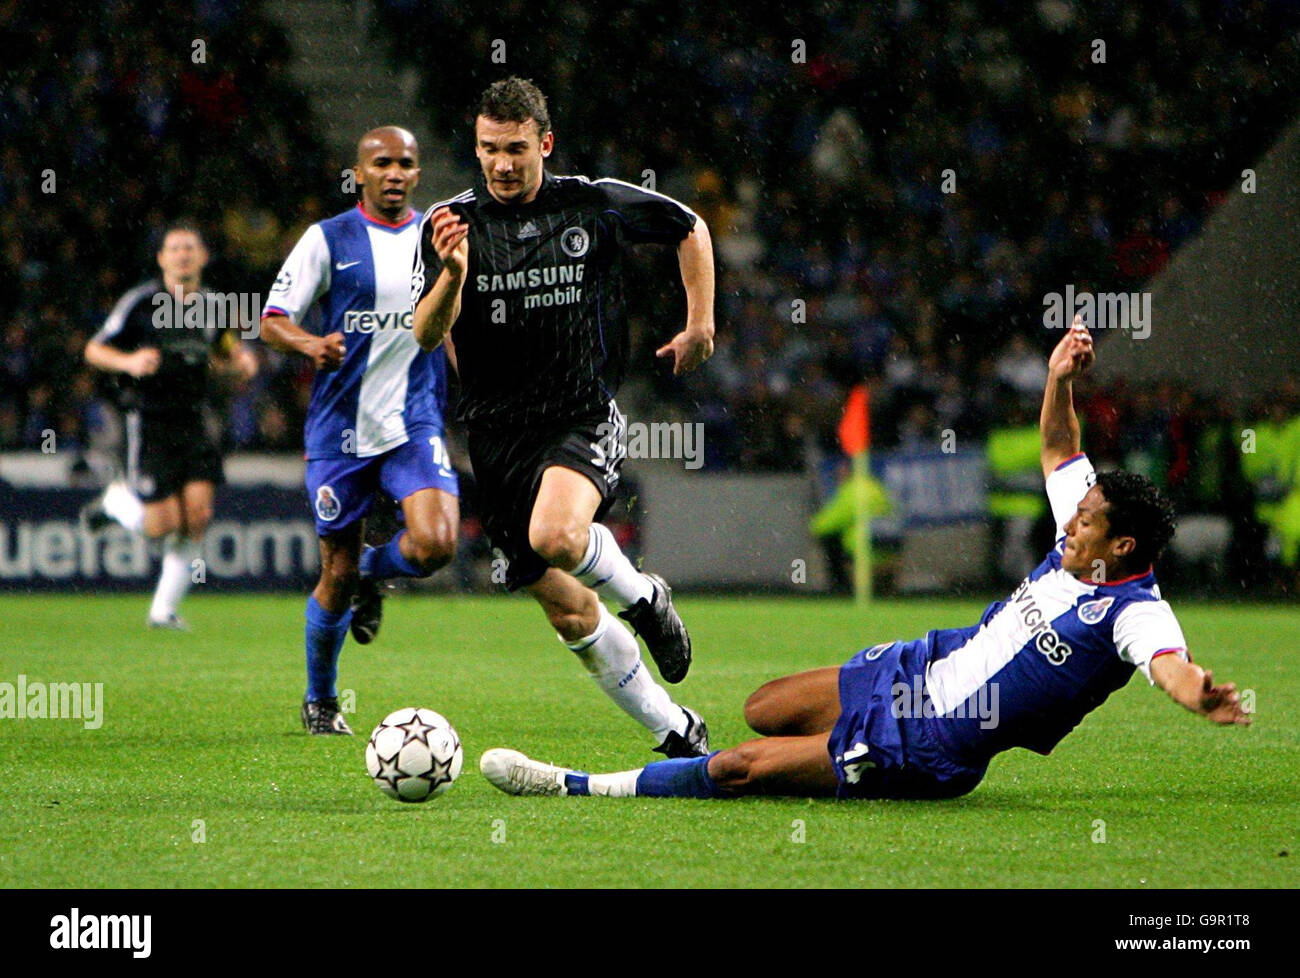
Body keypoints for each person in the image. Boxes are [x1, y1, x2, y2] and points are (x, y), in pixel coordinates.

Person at [479, 321, 1252, 799]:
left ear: (1123, 546)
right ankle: (763, 762)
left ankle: (571, 785)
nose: (1070, 523)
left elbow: (1168, 665)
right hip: (920, 664)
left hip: (936, 740)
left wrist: (1199, 695)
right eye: (1076, 512)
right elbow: (1061, 446)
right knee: (762, 707)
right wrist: (1057, 379)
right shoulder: (1081, 531)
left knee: (739, 769)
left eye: (1085, 523)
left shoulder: (1134, 610)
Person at [413, 77, 714, 758]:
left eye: (516, 148)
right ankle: (675, 730)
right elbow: (426, 336)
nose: (502, 164)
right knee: (569, 612)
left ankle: (644, 600)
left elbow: (687, 227)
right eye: (489, 149)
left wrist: (700, 324)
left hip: (580, 415)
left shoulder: (592, 203)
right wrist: (454, 275)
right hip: (495, 440)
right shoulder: (448, 225)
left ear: (543, 143)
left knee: (556, 532)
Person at [261, 127, 459, 735]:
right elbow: (272, 320)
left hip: (412, 420)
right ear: (361, 172)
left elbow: (448, 317)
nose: (394, 173)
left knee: (436, 544)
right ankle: (321, 700)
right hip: (338, 430)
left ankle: (374, 571)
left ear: (417, 174)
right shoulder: (328, 238)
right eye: (382, 163)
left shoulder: (438, 235)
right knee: (335, 575)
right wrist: (310, 343)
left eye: (405, 163)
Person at [82, 224, 258, 629]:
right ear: (161, 258)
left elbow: (224, 349)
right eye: (174, 248)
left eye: (189, 248)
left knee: (197, 516)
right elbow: (94, 349)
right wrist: (128, 362)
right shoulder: (141, 302)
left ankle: (163, 612)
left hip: (195, 420)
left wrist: (240, 361)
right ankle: (114, 502)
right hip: (150, 420)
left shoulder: (215, 305)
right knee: (162, 525)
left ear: (202, 257)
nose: (182, 255)